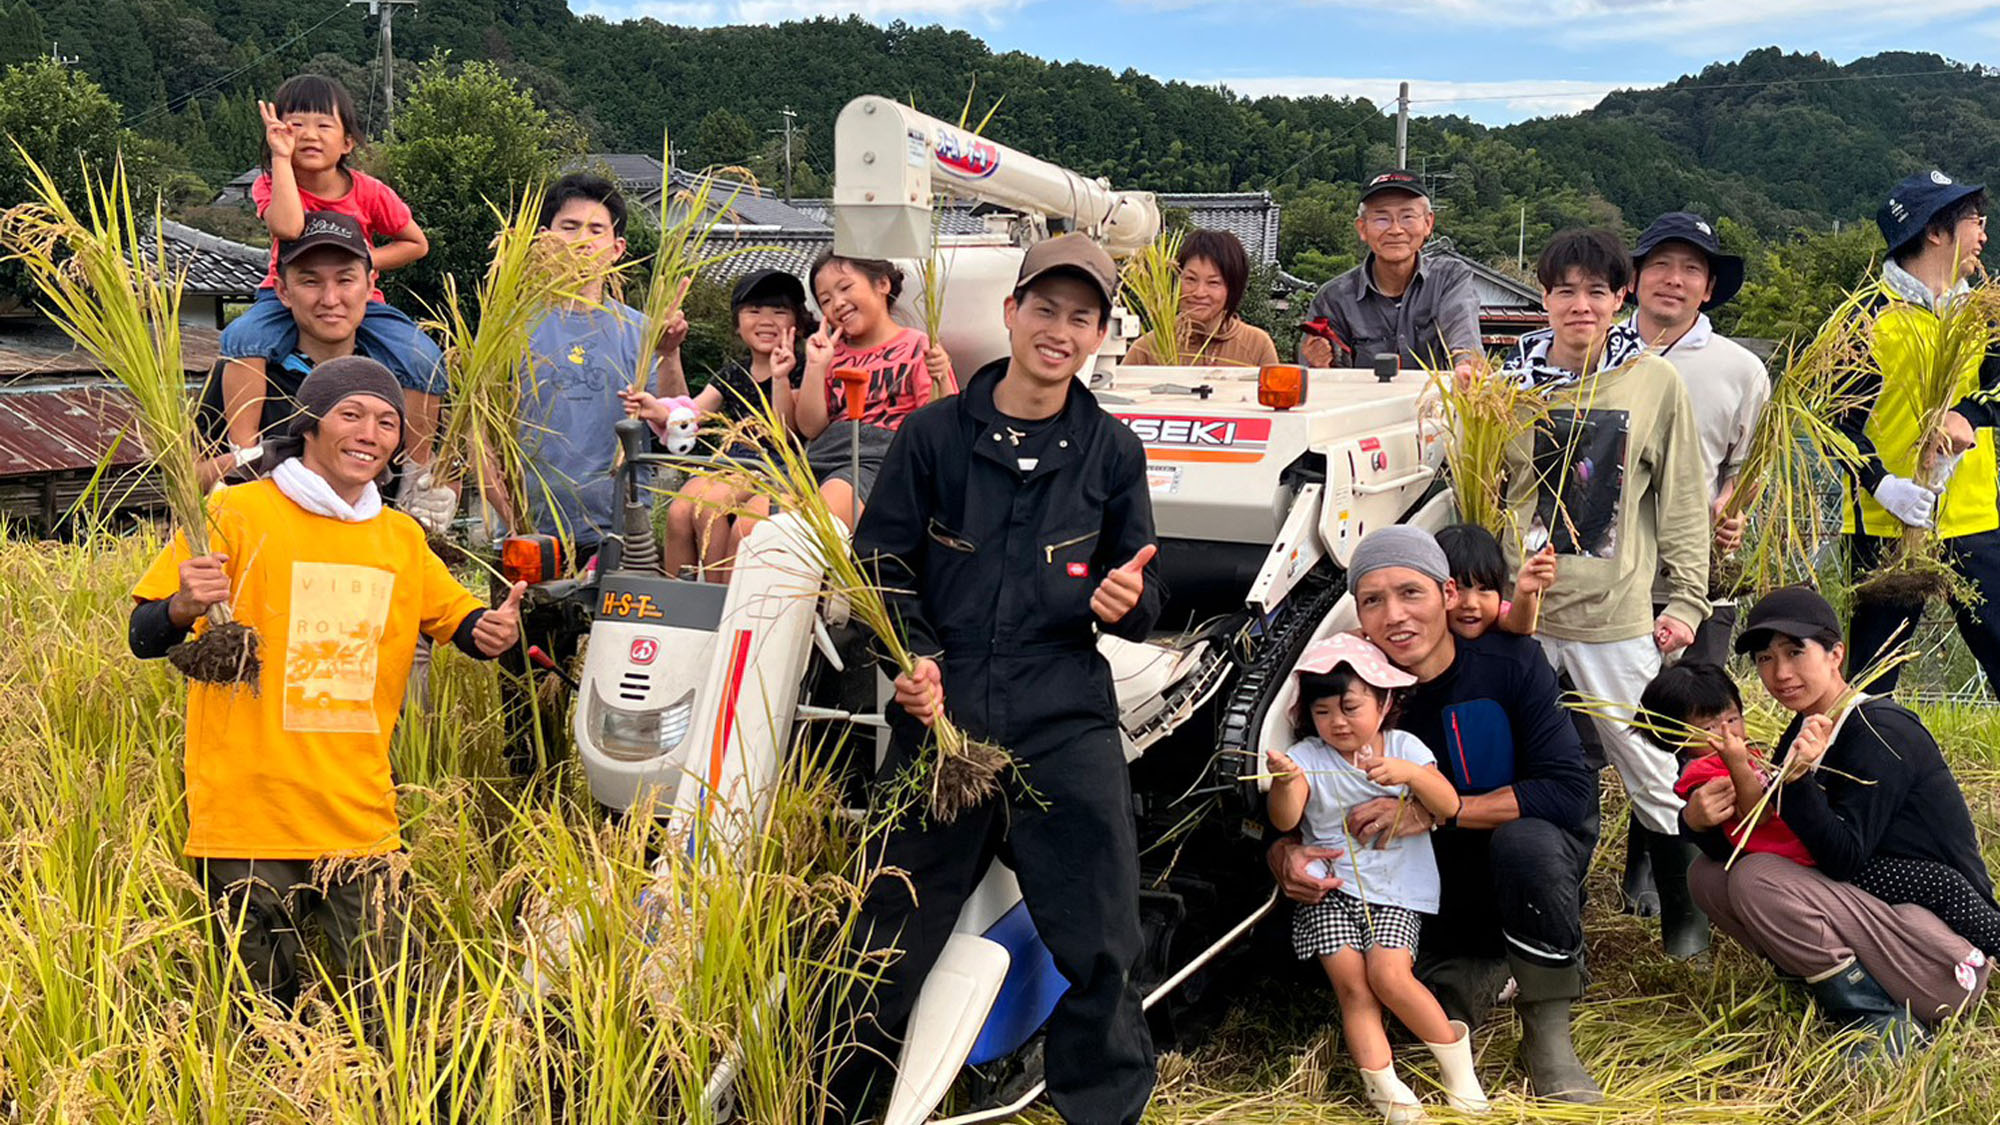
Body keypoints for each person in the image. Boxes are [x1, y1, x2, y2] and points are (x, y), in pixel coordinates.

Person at [828, 235, 1163, 1125]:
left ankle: (1102, 1109)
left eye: (1081, 317)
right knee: (882, 933)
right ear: (1011, 313)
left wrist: (1128, 601)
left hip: (1062, 706)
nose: (1060, 330)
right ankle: (836, 1103)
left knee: (1103, 936)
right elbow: (883, 567)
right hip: (946, 710)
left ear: (1100, 335)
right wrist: (912, 658)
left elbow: (1146, 588)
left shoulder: (1111, 452)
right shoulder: (935, 436)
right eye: (1045, 308)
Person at [127, 357, 523, 1008]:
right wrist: (181, 606)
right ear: (309, 424)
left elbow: (461, 621)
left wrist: (493, 630)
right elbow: (144, 635)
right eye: (352, 414)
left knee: (393, 1003)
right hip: (250, 813)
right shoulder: (236, 511)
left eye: (388, 421)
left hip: (357, 811)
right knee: (262, 1012)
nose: (371, 432)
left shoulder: (399, 536)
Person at [1268, 526, 1600, 1103]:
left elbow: (1569, 791)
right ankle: (1478, 969)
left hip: (1503, 869)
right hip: (1407, 890)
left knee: (1527, 846)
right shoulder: (1350, 685)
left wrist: (1438, 812)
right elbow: (1296, 787)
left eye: (1410, 593)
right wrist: (1283, 853)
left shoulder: (1511, 662)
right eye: (1373, 600)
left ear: (1447, 594)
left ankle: (1547, 1033)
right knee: (1406, 1002)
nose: (1394, 616)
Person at [1497, 228, 1711, 956]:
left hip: (1612, 615)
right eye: (1565, 290)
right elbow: (1484, 492)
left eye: (1596, 291)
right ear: (1544, 297)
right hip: (1519, 615)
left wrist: (1687, 601)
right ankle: (1533, 916)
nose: (1580, 305)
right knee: (1517, 764)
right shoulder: (1507, 384)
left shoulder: (1653, 381)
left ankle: (1687, 916)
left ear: (1621, 297)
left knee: (1650, 765)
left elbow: (1683, 500)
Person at [1682, 586, 1993, 1058]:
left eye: (1795, 652)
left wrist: (1798, 781)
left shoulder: (1879, 730)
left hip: (1942, 950)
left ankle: (1881, 1021)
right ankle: (1822, 988)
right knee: (1707, 875)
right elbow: (1763, 838)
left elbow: (1843, 858)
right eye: (1765, 659)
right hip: (1879, 914)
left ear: (1836, 655)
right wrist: (1696, 822)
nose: (1780, 673)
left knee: (1757, 878)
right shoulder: (1805, 727)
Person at [1266, 634, 1487, 1122]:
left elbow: (1448, 804)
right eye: (1322, 712)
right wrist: (1285, 780)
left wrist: (1411, 775)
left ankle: (1458, 1071)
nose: (1338, 722)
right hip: (1330, 889)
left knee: (1389, 976)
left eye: (1350, 707)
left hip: (1395, 889)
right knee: (1354, 988)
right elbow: (1286, 819)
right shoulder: (1308, 757)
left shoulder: (1405, 747)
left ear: (1384, 702)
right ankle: (1387, 1091)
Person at [1650, 660, 2000, 958]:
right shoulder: (1708, 771)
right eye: (1709, 728)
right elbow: (1760, 817)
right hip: (1805, 864)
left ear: (1836, 655)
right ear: (1678, 738)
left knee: (1937, 887)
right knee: (1941, 885)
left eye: (1732, 719)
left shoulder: (1853, 728)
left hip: (1808, 858)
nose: (1727, 733)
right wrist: (1708, 802)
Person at [216, 74, 446, 467]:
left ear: (347, 142)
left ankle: (417, 467)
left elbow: (416, 244)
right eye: (295, 124)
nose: (309, 135)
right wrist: (281, 158)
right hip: (283, 295)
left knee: (422, 357)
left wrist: (366, 263)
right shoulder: (271, 183)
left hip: (362, 300)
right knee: (241, 338)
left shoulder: (370, 191)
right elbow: (289, 228)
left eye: (324, 125)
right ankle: (245, 454)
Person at [1839, 171, 2000, 695]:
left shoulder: (1985, 314)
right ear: (1935, 231)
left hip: (1974, 518)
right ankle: (1856, 752)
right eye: (1975, 221)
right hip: (1886, 525)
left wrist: (1969, 415)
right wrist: (1882, 484)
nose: (1983, 235)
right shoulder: (1866, 318)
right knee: (1870, 679)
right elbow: (1835, 424)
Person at [197, 213, 457, 533]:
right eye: (311, 281)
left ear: (369, 285)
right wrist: (252, 462)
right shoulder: (245, 372)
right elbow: (188, 475)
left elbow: (445, 472)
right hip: (265, 547)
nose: (330, 299)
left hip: (374, 555)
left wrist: (437, 499)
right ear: (282, 291)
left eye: (345, 280)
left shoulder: (403, 379)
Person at [518, 172, 689, 557]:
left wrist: (669, 353)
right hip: (529, 534)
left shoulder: (642, 332)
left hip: (624, 532)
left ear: (617, 248)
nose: (582, 240)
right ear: (545, 239)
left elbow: (680, 428)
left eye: (596, 230)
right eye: (569, 227)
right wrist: (511, 518)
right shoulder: (511, 330)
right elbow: (484, 443)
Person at [624, 269, 814, 580]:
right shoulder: (734, 372)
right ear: (737, 324)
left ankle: (716, 595)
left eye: (779, 311)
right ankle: (677, 593)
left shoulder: (801, 369)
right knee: (678, 510)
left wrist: (781, 377)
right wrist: (658, 410)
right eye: (754, 311)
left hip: (773, 465)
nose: (766, 320)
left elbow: (787, 432)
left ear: (798, 324)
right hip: (732, 462)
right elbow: (693, 413)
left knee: (709, 509)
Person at [791, 253, 948, 530]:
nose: (837, 303)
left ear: (882, 284)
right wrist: (815, 367)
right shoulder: (830, 353)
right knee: (750, 518)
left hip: (879, 458)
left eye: (845, 287)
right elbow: (810, 427)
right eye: (825, 300)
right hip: (822, 454)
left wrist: (942, 376)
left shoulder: (917, 346)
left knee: (817, 521)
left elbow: (941, 425)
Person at [1298, 170, 1483, 372]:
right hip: (1363, 393)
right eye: (1381, 219)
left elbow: (1463, 335)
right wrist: (1318, 363)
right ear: (1362, 228)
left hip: (1437, 393)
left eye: (1407, 217)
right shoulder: (1333, 298)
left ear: (1428, 223)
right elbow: (1320, 374)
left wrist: (1466, 365)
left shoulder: (1450, 278)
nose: (1395, 230)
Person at [1120, 228, 1280, 368]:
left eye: (1213, 282)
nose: (1199, 292)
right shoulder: (1146, 348)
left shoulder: (1257, 345)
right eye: (1190, 279)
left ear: (1233, 288)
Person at [1433, 522, 1555, 640]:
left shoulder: (1497, 616)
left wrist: (1525, 593)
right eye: (1457, 589)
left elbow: (1519, 625)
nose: (1471, 604)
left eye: (1484, 589)